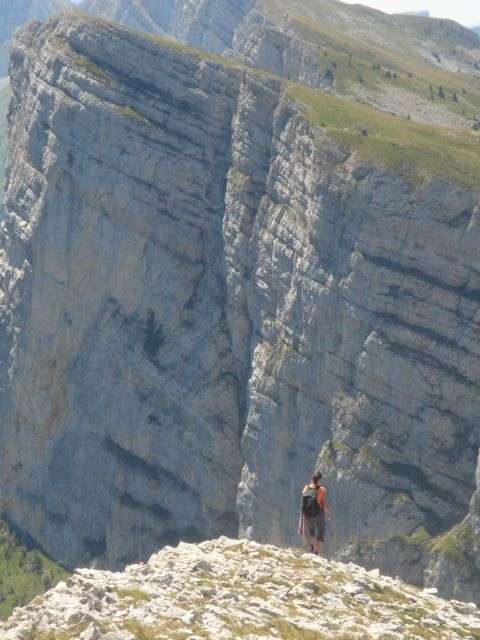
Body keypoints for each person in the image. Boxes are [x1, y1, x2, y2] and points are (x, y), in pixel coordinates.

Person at [298, 471, 331, 556]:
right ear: (319, 480)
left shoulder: (306, 488)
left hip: (307, 514)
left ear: (312, 479)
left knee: (311, 531)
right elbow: (324, 503)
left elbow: (303, 504)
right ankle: (316, 551)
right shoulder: (322, 490)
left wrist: (301, 520)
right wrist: (328, 514)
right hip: (317, 514)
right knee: (321, 530)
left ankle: (312, 547)